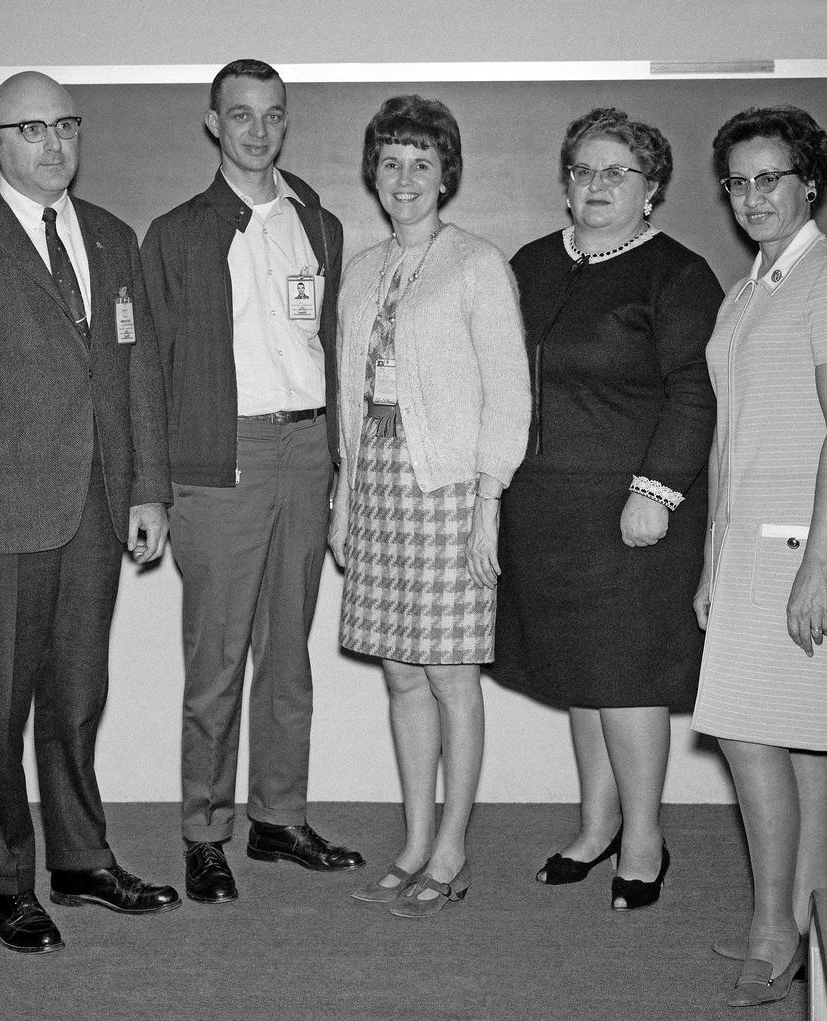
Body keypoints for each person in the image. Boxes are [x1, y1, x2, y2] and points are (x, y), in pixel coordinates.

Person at [0, 71, 177, 954]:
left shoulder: (111, 236)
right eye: (30, 129)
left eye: (66, 125)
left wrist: (147, 488)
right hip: (2, 516)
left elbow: (136, 372)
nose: (54, 144)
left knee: (77, 697)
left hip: (96, 509)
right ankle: (7, 880)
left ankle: (81, 860)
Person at [141, 58, 363, 904]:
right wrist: (150, 486)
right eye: (241, 116)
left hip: (307, 451)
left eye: (272, 115)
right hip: (219, 460)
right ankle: (204, 832)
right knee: (217, 657)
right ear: (213, 123)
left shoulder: (321, 224)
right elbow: (150, 371)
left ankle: (279, 818)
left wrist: (340, 466)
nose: (258, 131)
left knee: (289, 653)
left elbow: (329, 349)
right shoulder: (178, 232)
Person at [490, 108, 723, 910]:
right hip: (546, 510)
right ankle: (595, 826)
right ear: (565, 183)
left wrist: (655, 492)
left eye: (616, 172)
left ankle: (646, 839)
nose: (596, 186)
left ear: (651, 188)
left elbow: (696, 394)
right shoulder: (528, 264)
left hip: (635, 514)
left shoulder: (676, 273)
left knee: (626, 681)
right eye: (584, 171)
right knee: (580, 679)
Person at [694, 106, 827, 1008]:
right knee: (799, 742)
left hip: (812, 539)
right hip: (749, 539)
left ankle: (775, 926)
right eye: (739, 181)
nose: (754, 196)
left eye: (772, 177)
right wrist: (709, 563)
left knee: (749, 730)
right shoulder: (750, 289)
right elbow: (732, 441)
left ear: (809, 181)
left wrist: (818, 565)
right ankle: (809, 911)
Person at [330, 96, 530, 917]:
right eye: (390, 162)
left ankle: (451, 850)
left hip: (449, 488)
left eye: (421, 162)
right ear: (373, 176)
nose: (404, 178)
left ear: (446, 173)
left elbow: (508, 392)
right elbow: (348, 391)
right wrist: (343, 492)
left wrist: (490, 500)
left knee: (451, 672)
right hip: (376, 481)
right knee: (401, 674)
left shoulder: (477, 263)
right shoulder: (362, 269)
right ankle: (413, 839)